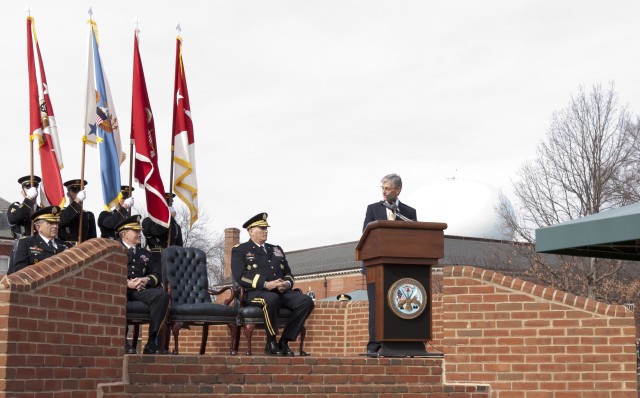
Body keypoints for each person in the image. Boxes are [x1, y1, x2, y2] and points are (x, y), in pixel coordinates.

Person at [231, 212, 314, 356]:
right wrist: (266, 284)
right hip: (255, 293)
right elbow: (240, 276)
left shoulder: (276, 249)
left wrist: (287, 284)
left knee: (306, 301)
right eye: (261, 228)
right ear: (251, 231)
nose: (265, 231)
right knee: (271, 299)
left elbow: (288, 273)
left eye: (266, 228)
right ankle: (271, 342)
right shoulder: (240, 250)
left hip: (281, 291)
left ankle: (284, 341)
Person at [361, 173, 417, 354]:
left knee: (397, 302)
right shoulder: (373, 209)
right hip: (375, 267)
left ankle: (397, 342)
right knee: (376, 306)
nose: (384, 192)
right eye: (382, 188)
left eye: (387, 188)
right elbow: (365, 235)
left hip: (400, 266)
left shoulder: (409, 212)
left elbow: (414, 239)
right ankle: (374, 345)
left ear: (397, 190)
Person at [116, 215, 170, 355]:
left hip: (140, 290)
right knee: (118, 297)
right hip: (120, 290)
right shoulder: (114, 249)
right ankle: (122, 342)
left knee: (162, 296)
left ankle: (151, 342)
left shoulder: (145, 253)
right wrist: (127, 283)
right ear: (124, 234)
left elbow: (157, 275)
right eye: (136, 231)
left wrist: (145, 280)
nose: (140, 234)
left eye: (140, 231)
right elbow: (107, 273)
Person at [8, 206, 71, 274]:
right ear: (38, 227)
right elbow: (19, 270)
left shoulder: (67, 246)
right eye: (50, 223)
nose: (55, 226)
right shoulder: (26, 243)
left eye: (56, 223)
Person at [58, 179, 97, 244]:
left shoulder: (88, 215)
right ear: (68, 194)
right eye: (74, 190)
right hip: (65, 251)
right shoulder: (61, 212)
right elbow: (61, 220)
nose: (78, 193)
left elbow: (92, 240)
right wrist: (77, 200)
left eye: (79, 190)